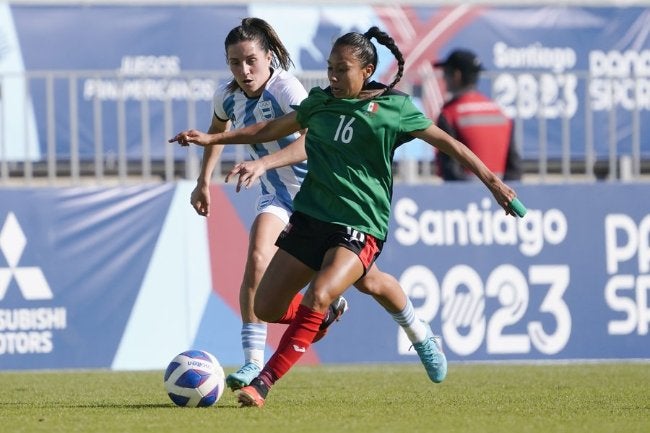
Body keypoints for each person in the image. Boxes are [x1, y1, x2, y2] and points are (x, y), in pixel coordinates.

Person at [170, 26, 519, 407]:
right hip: (312, 217)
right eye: (330, 68)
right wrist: (212, 139)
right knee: (274, 306)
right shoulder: (319, 102)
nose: (333, 77)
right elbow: (269, 128)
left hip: (360, 223)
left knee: (318, 293)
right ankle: (411, 329)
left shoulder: (394, 109)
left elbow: (448, 143)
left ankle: (264, 380)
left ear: (367, 70)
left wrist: (494, 183)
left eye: (343, 69)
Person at [190, 18, 445, 393]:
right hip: (278, 195)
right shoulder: (225, 96)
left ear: (269, 57)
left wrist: (262, 163)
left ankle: (418, 331)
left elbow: (309, 140)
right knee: (257, 260)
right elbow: (218, 134)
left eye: (250, 61)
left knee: (370, 283)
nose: (243, 70)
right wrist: (202, 183)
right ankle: (252, 362)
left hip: (321, 193)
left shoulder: (287, 90)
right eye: (234, 62)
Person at [433, 49, 523, 181]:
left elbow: (450, 170)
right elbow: (515, 169)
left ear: (456, 75)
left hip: (466, 196)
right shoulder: (500, 112)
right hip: (501, 195)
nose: (444, 79)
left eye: (445, 73)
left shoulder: (449, 114)